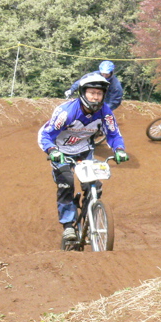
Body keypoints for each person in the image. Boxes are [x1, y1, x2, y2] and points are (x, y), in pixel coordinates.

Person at [39, 74, 129, 241]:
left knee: (95, 186)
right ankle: (68, 225)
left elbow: (113, 133)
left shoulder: (105, 112)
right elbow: (46, 134)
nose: (95, 97)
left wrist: (119, 149)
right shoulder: (67, 112)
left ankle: (89, 216)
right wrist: (51, 150)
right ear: (82, 93)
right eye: (92, 93)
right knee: (66, 183)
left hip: (84, 150)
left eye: (99, 93)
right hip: (60, 151)